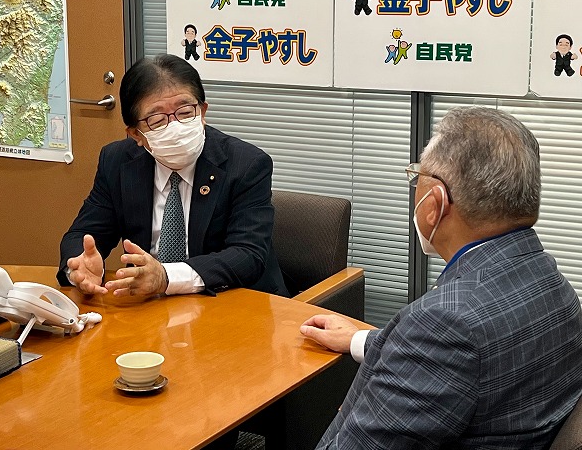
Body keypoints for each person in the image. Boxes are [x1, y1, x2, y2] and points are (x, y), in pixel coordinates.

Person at [301, 107, 582, 449]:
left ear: (435, 202)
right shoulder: (549, 280)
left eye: (416, 175)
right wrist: (361, 339)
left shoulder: (443, 324)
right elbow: (466, 359)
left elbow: (447, 346)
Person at [57, 54, 289, 300]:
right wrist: (80, 268)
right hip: (149, 306)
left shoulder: (247, 164)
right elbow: (83, 235)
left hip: (233, 301)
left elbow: (248, 255)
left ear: (203, 112)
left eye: (186, 112)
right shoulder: (117, 162)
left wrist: (167, 277)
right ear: (136, 134)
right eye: (157, 120)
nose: (175, 127)